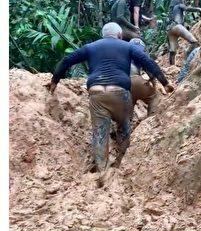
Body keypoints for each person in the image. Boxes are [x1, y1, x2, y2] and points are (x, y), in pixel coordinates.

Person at [47, 23, 173, 181]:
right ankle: (122, 162)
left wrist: (54, 81)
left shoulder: (91, 47)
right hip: (120, 93)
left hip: (97, 93)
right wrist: (165, 83)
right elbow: (148, 62)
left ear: (103, 35)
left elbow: (67, 60)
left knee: (100, 133)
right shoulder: (127, 47)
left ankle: (102, 171)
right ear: (120, 36)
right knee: (125, 125)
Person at [167, 0, 201, 65]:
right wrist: (198, 9)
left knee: (172, 50)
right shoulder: (179, 5)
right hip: (177, 26)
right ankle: (186, 59)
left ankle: (171, 66)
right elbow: (187, 8)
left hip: (170, 29)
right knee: (194, 42)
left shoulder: (170, 10)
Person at [128, 38, 159, 118]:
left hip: (121, 84)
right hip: (135, 81)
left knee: (128, 107)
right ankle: (151, 118)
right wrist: (154, 86)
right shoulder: (141, 55)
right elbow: (151, 74)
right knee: (153, 97)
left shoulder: (123, 54)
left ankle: (124, 127)